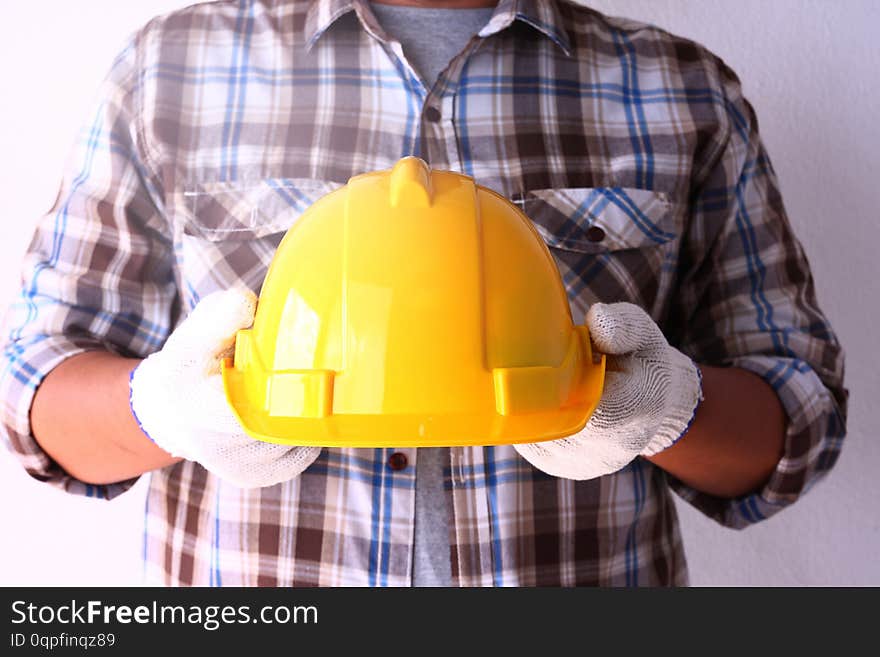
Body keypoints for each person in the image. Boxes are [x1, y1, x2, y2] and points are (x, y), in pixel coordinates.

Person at [0, 0, 847, 586]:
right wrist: (161, 408)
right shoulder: (170, 70)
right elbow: (30, 392)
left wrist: (662, 409)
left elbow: (799, 422)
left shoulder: (679, 88)